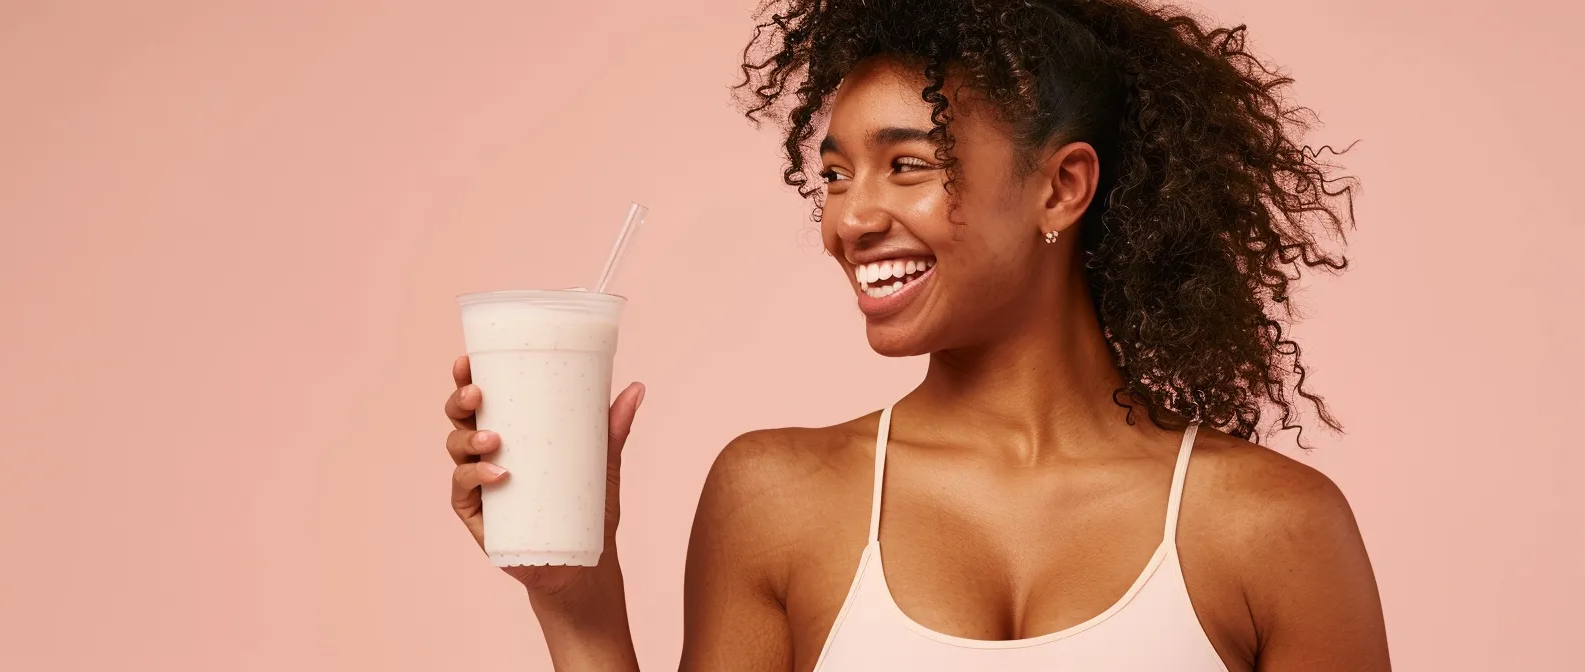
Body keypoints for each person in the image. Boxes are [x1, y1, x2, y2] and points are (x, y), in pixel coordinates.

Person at [442, 0, 1389, 669]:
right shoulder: (777, 501)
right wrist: (575, 601)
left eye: (907, 163)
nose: (847, 221)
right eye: (835, 174)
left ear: (1062, 187)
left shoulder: (1273, 529)